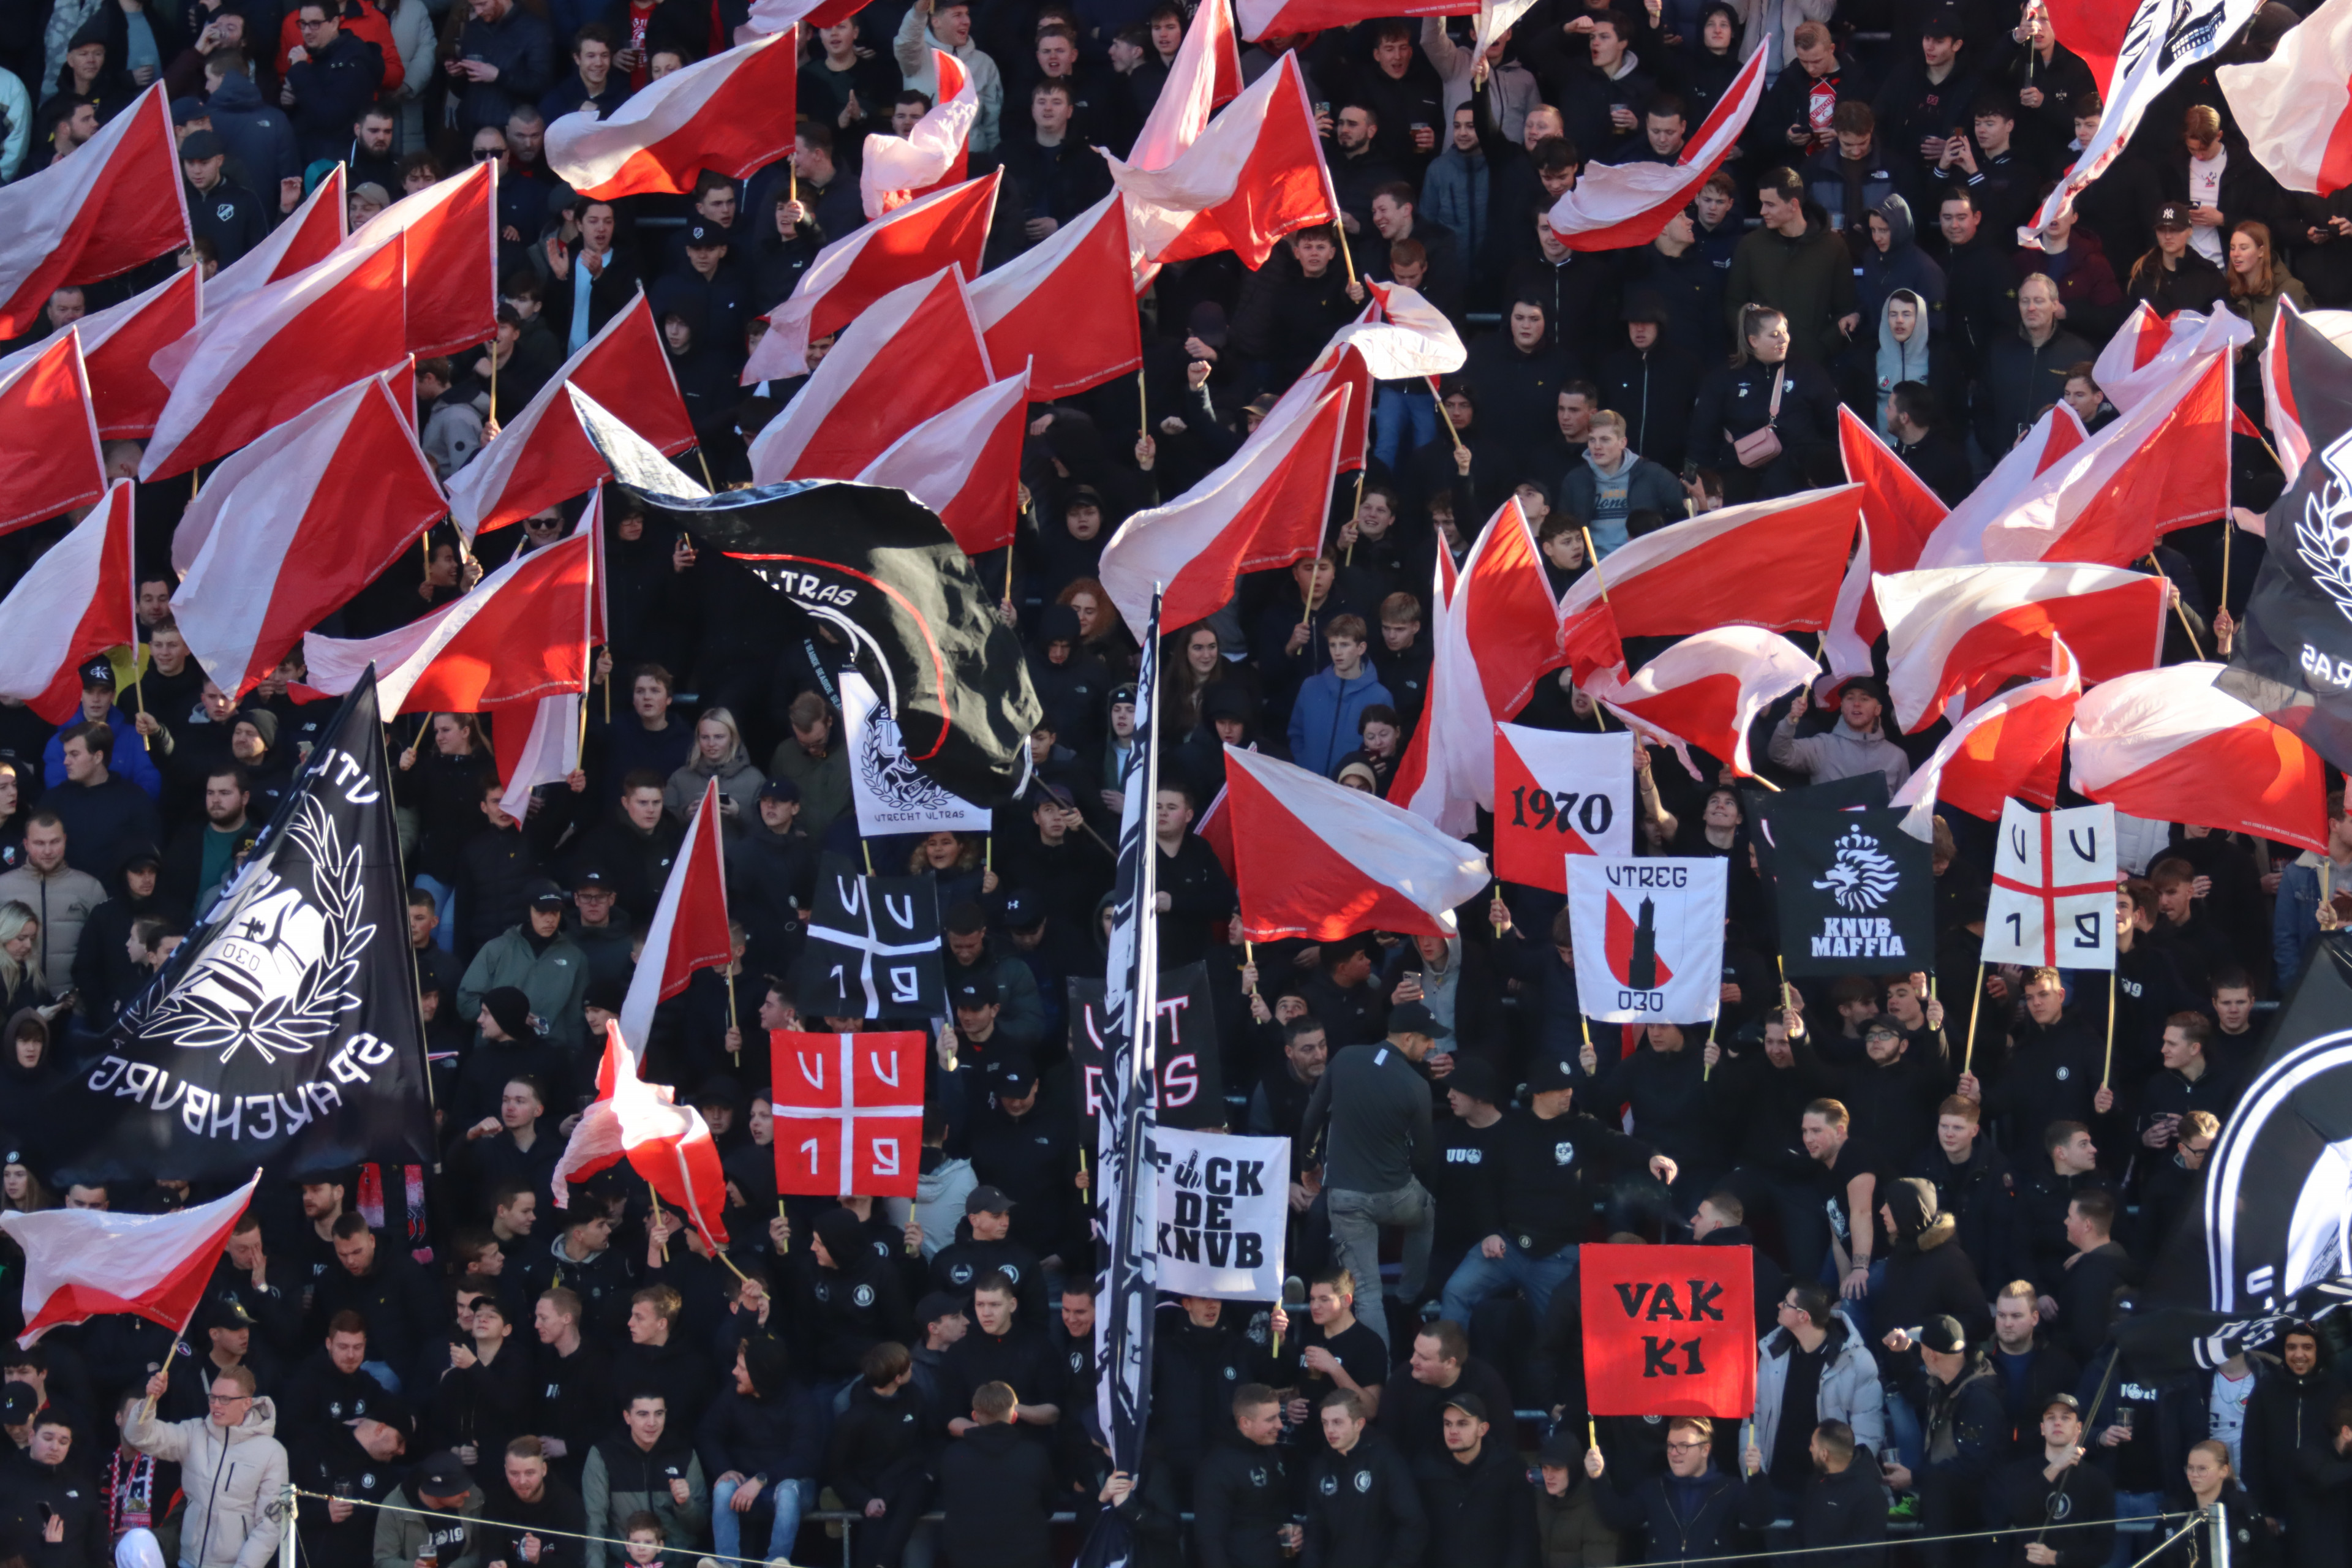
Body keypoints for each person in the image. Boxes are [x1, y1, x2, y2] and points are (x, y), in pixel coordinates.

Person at [1298, 1001, 1448, 1352]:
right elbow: (1424, 1155)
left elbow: (1312, 1119)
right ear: (1407, 1038)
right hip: (1397, 1196)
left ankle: (1375, 1377)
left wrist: (1308, 1164)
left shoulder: (1345, 1058)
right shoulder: (1417, 1085)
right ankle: (1410, 1295)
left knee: (1366, 1294)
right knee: (1427, 1209)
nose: (1432, 1046)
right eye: (1427, 1039)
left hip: (1347, 1199)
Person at [124, 1364, 287, 1568]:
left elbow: (270, 1525)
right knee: (133, 1543)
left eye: (225, 1399)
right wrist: (150, 1401)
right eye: (213, 1397)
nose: (216, 1405)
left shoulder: (272, 1452)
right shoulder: (195, 1433)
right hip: (187, 1561)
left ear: (247, 1403)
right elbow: (139, 1438)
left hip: (233, 1565)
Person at [1586, 1415, 1774, 1564]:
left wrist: (1757, 1476)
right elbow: (1617, 1516)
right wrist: (1598, 1477)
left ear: (1705, 1450)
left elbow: (1761, 1517)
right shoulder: (1655, 1488)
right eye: (1671, 1445)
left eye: (1684, 1446)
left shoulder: (1729, 1488)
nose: (1674, 1453)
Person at [932, 1383, 1058, 1568]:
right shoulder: (1035, 1455)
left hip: (966, 1560)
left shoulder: (952, 1455)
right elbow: (1049, 1508)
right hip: (1027, 1558)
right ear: (1014, 1417)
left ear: (974, 1416)